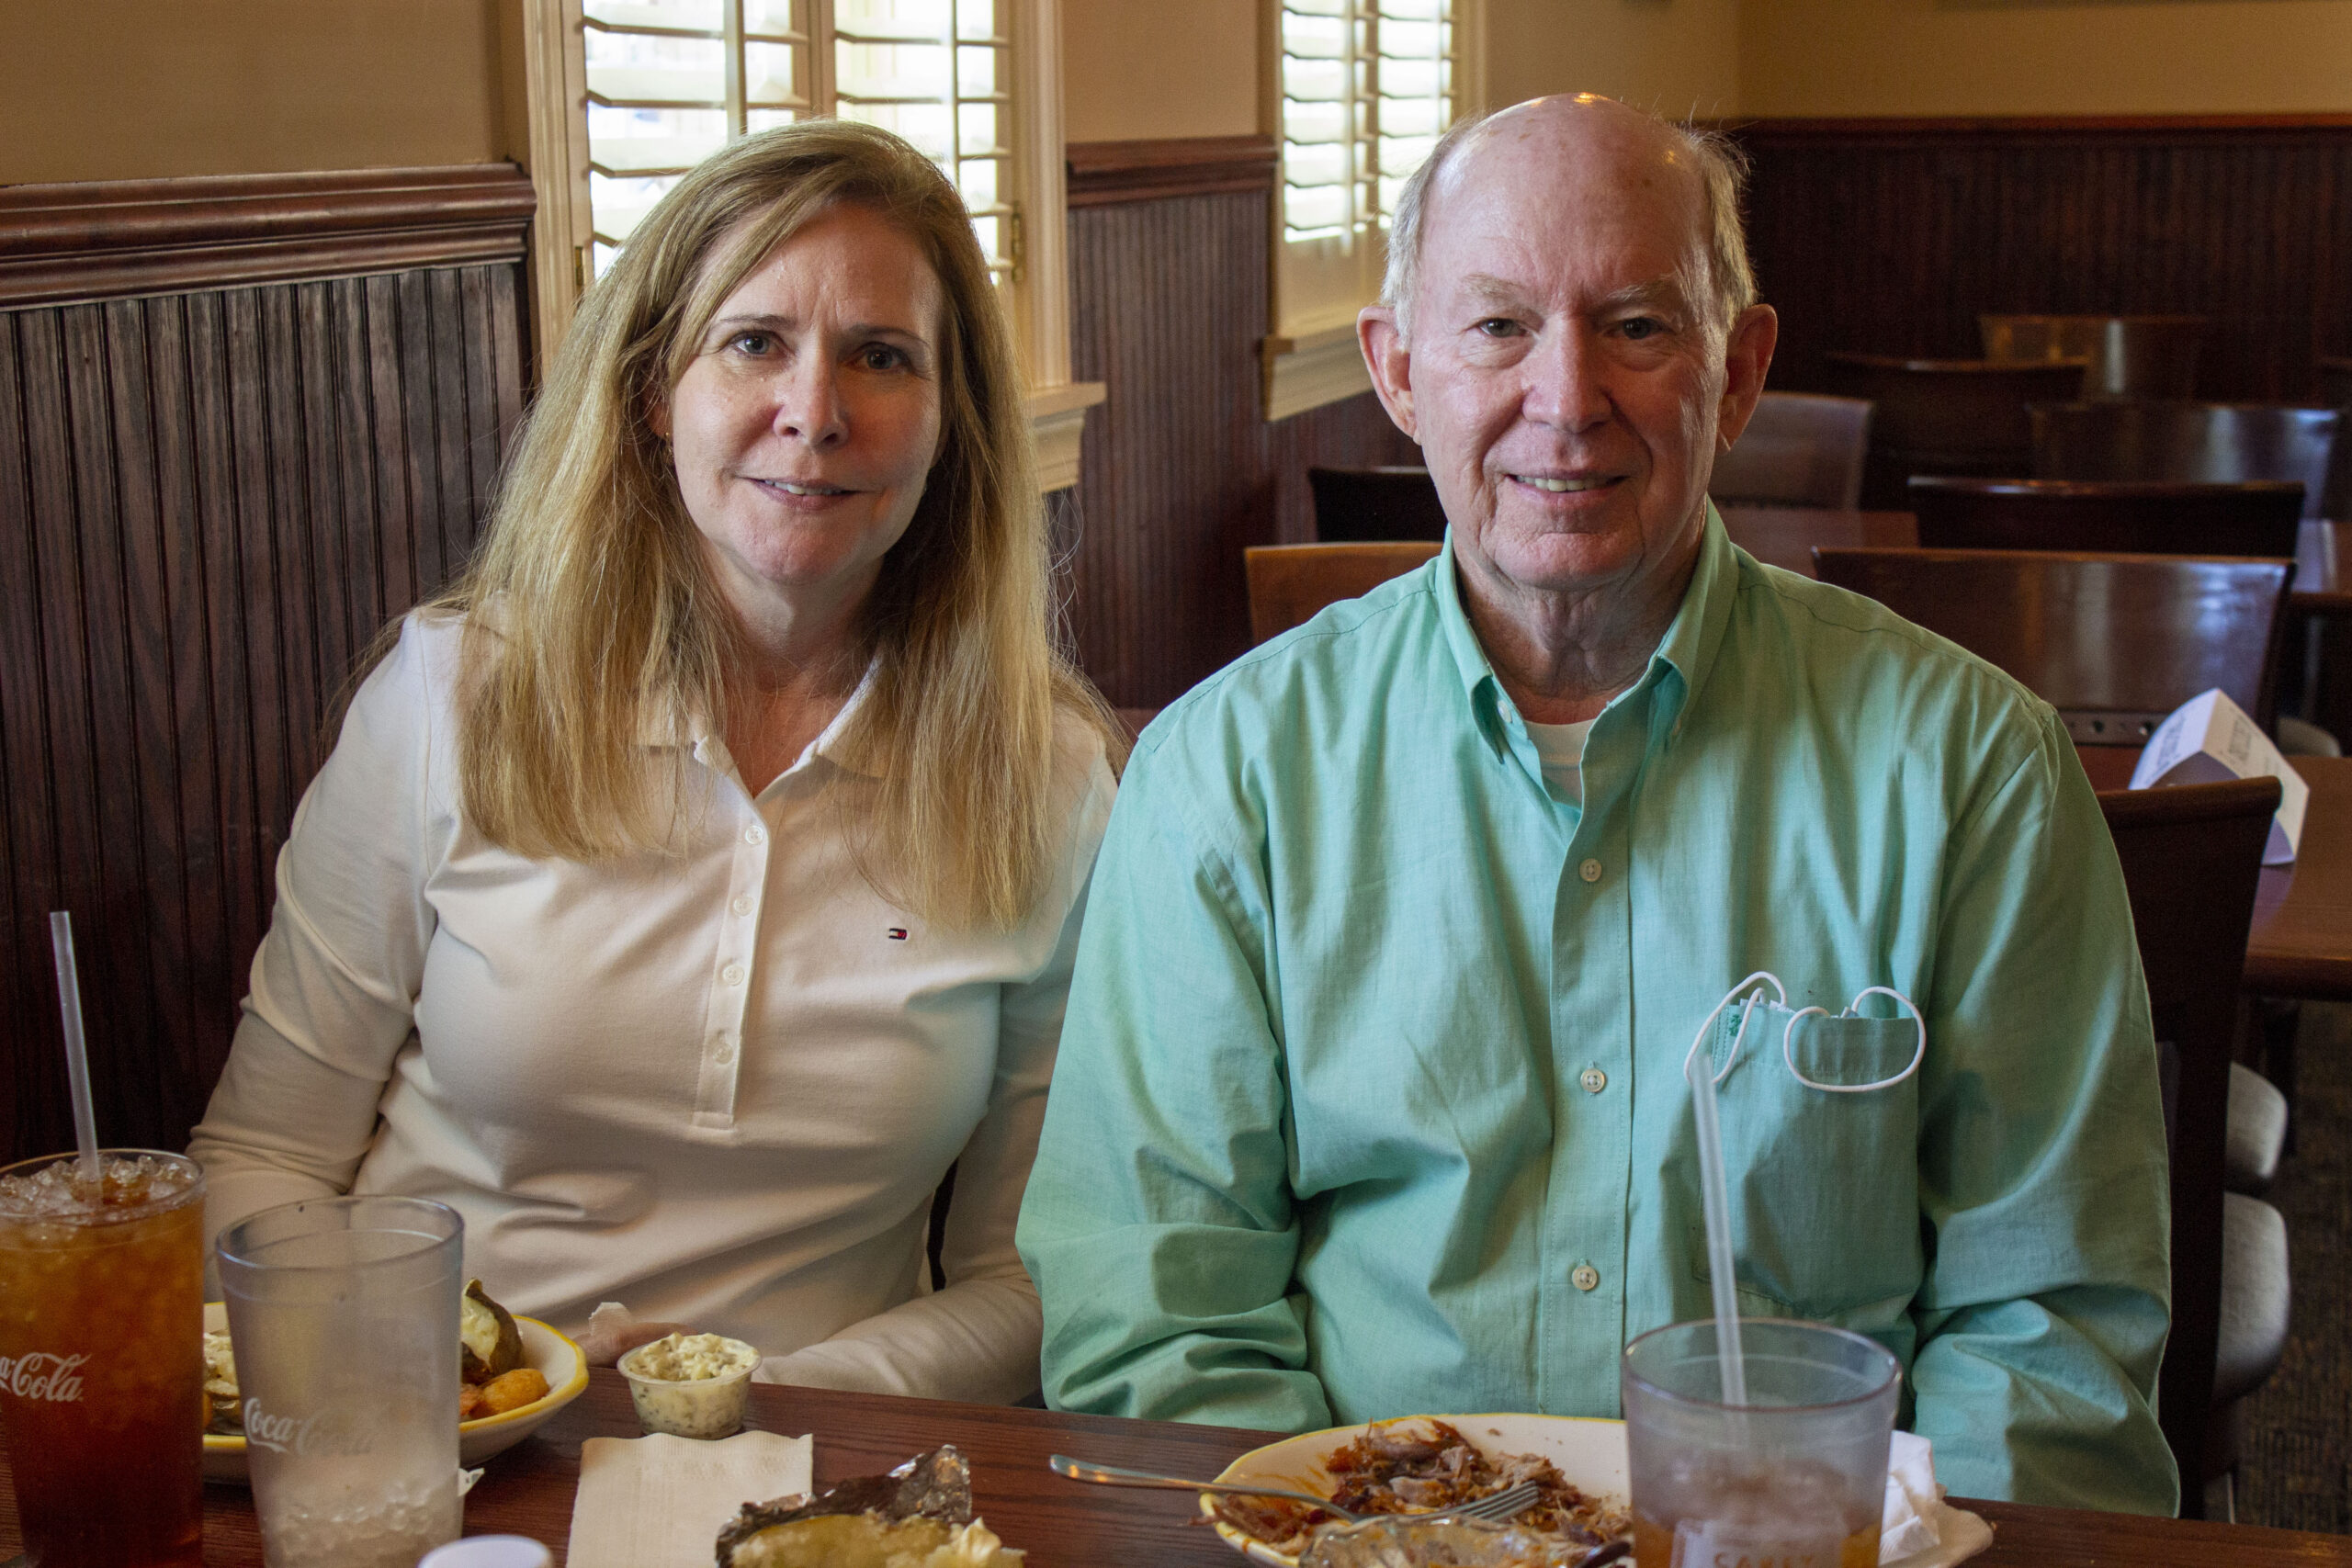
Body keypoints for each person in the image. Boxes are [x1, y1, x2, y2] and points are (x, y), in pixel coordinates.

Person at [1016, 95, 2177, 1512]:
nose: (1566, 400)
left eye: (1636, 325)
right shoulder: (1225, 776)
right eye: (1498, 326)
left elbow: (2046, 1340)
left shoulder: (1974, 770)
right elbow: (1158, 1315)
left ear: (1739, 372)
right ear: (1398, 371)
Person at [189, 119, 1120, 1404]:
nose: (815, 414)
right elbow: (264, 1159)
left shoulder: (1047, 777)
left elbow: (1033, 1274)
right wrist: (422, 1383)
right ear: (650, 395)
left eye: (881, 356)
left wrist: (760, 1394)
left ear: (950, 425)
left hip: (821, 1453)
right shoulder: (453, 697)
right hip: (431, 1431)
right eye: (754, 343)